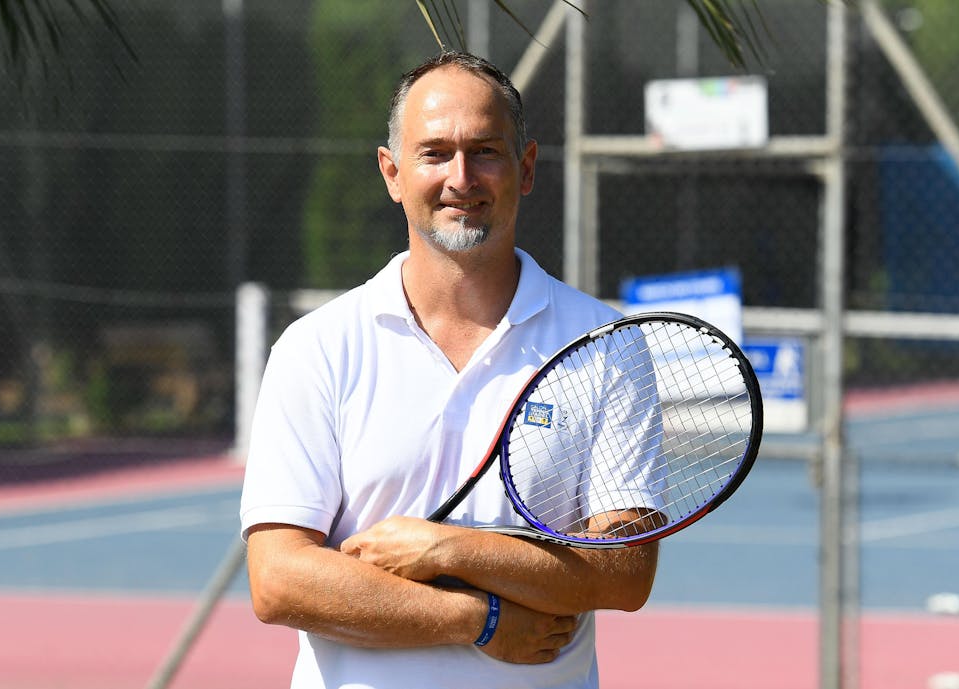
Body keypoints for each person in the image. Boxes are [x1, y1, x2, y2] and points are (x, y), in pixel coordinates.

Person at [238, 51, 659, 689]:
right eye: (434, 153)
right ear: (392, 173)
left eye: (485, 151)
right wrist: (479, 618)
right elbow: (279, 581)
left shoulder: (607, 345)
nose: (461, 177)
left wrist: (448, 549)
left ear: (526, 168)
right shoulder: (316, 347)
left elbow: (624, 573)